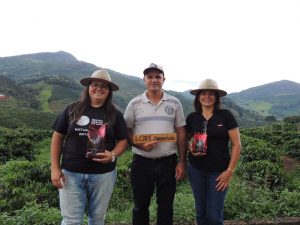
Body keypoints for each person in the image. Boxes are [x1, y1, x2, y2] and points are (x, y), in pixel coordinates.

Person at [50, 69, 128, 225]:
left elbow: (123, 140)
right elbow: (57, 137)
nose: (99, 88)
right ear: (88, 87)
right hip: (71, 173)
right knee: (71, 220)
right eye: (95, 84)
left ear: (109, 91)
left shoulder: (115, 114)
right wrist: (55, 168)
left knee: (97, 219)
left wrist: (112, 155)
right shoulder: (72, 109)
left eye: (104, 86)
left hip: (103, 175)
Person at [124, 63, 187, 225]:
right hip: (141, 163)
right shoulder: (134, 104)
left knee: (166, 206)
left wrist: (181, 161)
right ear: (144, 80)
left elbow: (181, 132)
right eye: (150, 77)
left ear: (163, 79)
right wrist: (139, 145)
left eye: (157, 77)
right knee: (140, 206)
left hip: (168, 163)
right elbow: (126, 131)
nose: (154, 80)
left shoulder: (174, 103)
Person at [186, 79, 241, 225]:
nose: (207, 96)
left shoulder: (226, 115)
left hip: (219, 172)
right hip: (196, 170)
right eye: (203, 93)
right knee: (201, 213)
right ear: (198, 97)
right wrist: (190, 147)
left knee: (215, 216)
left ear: (216, 97)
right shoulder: (192, 117)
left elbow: (237, 145)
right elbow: (185, 140)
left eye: (211, 93)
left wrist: (229, 171)